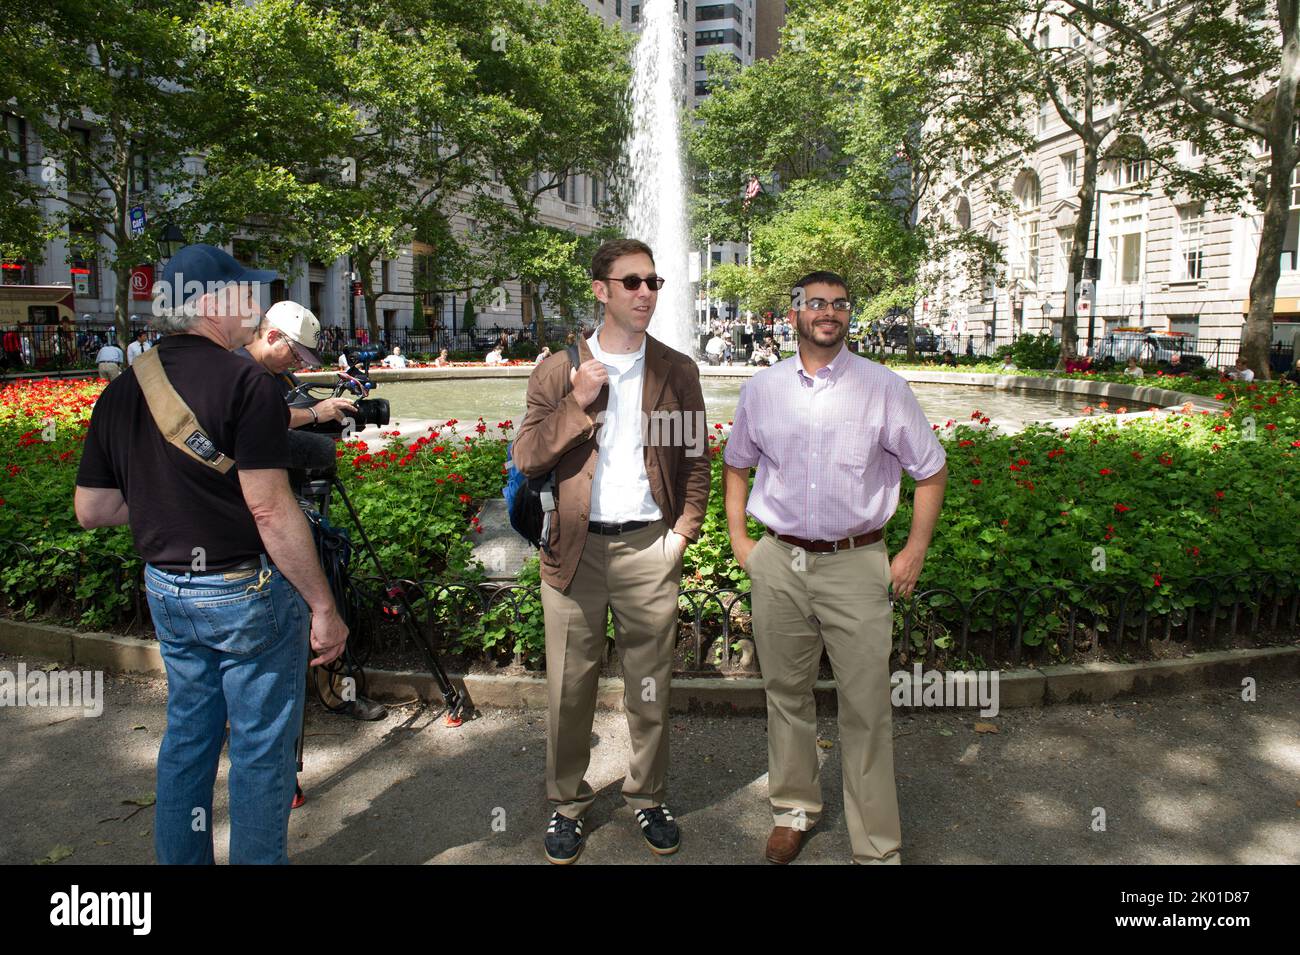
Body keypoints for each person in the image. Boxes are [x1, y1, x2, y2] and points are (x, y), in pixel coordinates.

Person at [74, 243, 348, 864]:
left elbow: (92, 510)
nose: (254, 306)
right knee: (259, 752)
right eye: (245, 293)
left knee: (188, 741)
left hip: (167, 588)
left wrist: (165, 503)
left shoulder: (123, 389)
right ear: (213, 303)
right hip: (243, 592)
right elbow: (270, 510)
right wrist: (323, 606)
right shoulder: (244, 380)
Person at [723, 270, 948, 866]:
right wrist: (742, 539)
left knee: (867, 706)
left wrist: (914, 550)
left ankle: (876, 846)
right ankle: (793, 811)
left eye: (840, 304)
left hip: (856, 563)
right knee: (786, 695)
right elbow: (736, 463)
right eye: (816, 303)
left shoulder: (884, 389)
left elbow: (930, 469)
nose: (829, 312)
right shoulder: (762, 390)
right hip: (780, 561)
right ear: (792, 314)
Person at [512, 238, 710, 864]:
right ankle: (567, 804)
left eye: (654, 282)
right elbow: (527, 456)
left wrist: (682, 534)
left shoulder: (675, 370)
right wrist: (577, 401)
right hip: (573, 551)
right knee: (571, 689)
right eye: (632, 282)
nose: (646, 293)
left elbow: (696, 461)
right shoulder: (556, 369)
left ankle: (646, 795)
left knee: (650, 685)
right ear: (601, 290)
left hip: (649, 545)